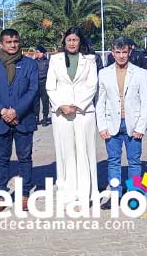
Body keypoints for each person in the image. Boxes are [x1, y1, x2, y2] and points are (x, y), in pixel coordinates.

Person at [0, 28, 39, 211]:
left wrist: (16, 111)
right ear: (1, 44)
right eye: (8, 42)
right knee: (1, 159)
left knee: (25, 158)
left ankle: (24, 194)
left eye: (15, 41)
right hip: (0, 120)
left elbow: (32, 91)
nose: (13, 45)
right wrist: (3, 111)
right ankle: (0, 192)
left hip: (23, 119)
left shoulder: (30, 64)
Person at [96, 37, 147, 209]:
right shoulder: (104, 73)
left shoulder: (141, 73)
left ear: (130, 52)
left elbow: (146, 101)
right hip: (112, 124)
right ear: (112, 53)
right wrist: (102, 126)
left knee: (134, 161)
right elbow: (100, 101)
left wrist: (141, 126)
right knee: (113, 161)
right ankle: (115, 196)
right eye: (118, 52)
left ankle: (133, 195)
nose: (121, 56)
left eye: (124, 52)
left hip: (133, 124)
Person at [46, 27, 99, 208]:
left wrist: (77, 105)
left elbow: (92, 85)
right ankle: (67, 193)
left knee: (85, 151)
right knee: (65, 151)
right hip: (61, 113)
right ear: (64, 41)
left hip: (84, 112)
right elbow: (50, 86)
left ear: (80, 41)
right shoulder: (55, 59)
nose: (72, 43)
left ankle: (87, 194)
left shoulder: (90, 60)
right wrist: (62, 105)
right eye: (69, 40)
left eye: (75, 40)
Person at [33, 45, 51, 126]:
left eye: (38, 52)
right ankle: (36, 117)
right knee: (35, 102)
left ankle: (45, 118)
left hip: (44, 84)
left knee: (45, 102)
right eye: (36, 52)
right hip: (36, 84)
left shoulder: (47, 62)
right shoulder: (34, 62)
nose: (37, 54)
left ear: (43, 53)